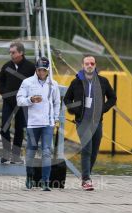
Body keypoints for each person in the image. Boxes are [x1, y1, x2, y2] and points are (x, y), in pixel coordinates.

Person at [63, 56, 116, 191]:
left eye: (92, 63)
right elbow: (67, 99)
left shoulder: (103, 81)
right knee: (87, 149)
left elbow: (113, 98)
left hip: (97, 121)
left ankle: (86, 176)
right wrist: (76, 110)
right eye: (87, 63)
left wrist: (103, 109)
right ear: (83, 65)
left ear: (95, 65)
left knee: (94, 150)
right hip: (82, 121)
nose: (89, 65)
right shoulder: (76, 82)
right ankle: (86, 179)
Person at [17, 57, 61, 191]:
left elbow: (56, 102)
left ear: (48, 70)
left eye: (44, 70)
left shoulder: (53, 84)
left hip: (48, 123)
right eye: (39, 70)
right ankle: (29, 176)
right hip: (33, 123)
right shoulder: (27, 82)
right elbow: (19, 100)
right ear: (36, 69)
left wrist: (56, 118)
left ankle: (45, 181)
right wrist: (31, 99)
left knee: (47, 151)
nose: (42, 72)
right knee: (31, 151)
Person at [0, 42, 36, 164]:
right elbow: (0, 82)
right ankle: (6, 153)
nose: (11, 54)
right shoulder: (6, 66)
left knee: (20, 129)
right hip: (8, 102)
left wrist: (28, 98)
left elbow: (34, 84)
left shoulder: (31, 67)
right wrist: (5, 95)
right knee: (4, 127)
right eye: (10, 52)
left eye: (13, 52)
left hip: (23, 103)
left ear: (21, 52)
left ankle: (15, 156)